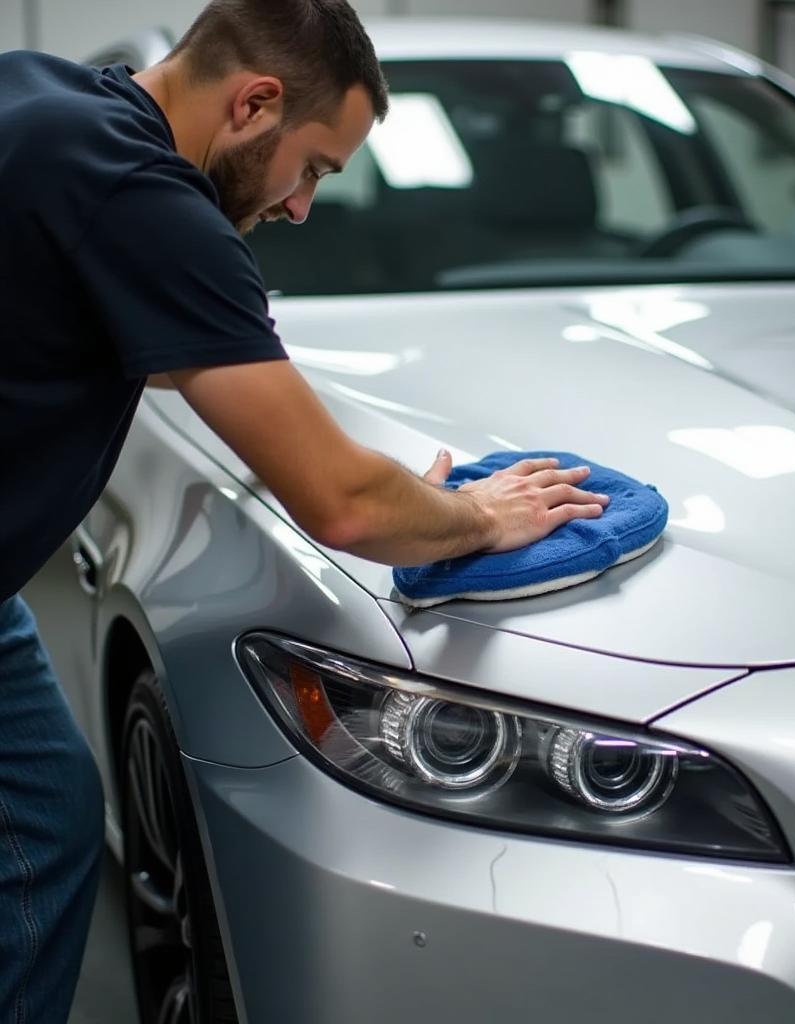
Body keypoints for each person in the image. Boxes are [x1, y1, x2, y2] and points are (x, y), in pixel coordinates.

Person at [0, 1, 609, 1019]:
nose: (301, 208)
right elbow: (340, 507)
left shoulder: (47, 95)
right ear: (255, 103)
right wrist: (478, 517)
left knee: (50, 817)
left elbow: (91, 328)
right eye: (316, 167)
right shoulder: (139, 199)